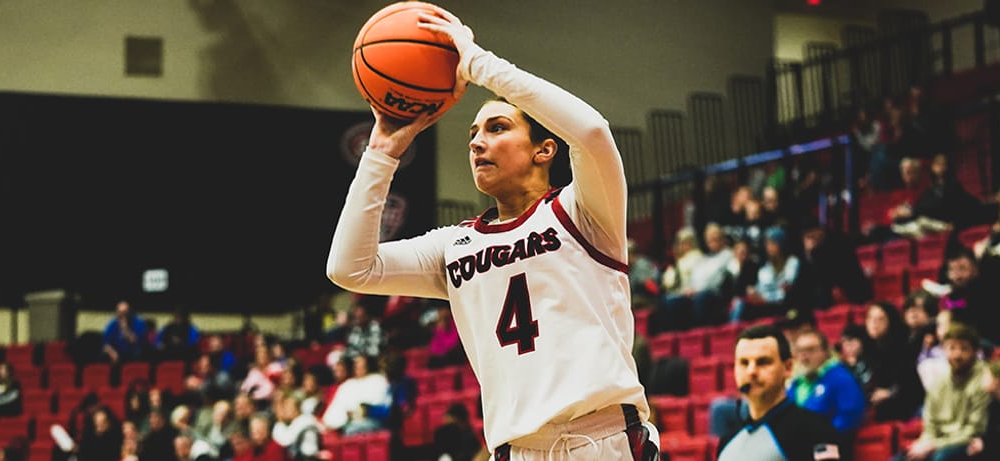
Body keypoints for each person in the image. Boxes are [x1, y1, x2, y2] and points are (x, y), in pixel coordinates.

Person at [325, 7, 657, 460]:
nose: (477, 142)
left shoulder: (582, 211)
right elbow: (350, 268)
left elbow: (593, 132)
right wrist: (381, 153)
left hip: (601, 440)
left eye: (497, 128)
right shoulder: (454, 245)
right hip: (515, 449)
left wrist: (479, 64)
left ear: (545, 148)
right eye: (473, 134)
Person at [717, 324, 844, 460]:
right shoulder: (726, 443)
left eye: (763, 362)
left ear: (788, 368)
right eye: (744, 363)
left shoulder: (816, 432)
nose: (751, 371)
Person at [893, 323, 990, 461]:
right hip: (937, 442)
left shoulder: (983, 379)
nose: (957, 354)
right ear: (944, 350)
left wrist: (933, 445)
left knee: (940, 458)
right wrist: (923, 445)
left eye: (964, 349)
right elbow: (930, 426)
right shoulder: (938, 383)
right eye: (952, 348)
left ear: (975, 352)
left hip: (965, 443)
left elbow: (974, 430)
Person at [787, 328, 868, 435]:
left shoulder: (841, 378)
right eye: (800, 351)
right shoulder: (796, 382)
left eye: (810, 350)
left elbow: (850, 415)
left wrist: (822, 436)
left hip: (829, 446)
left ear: (825, 352)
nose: (804, 357)